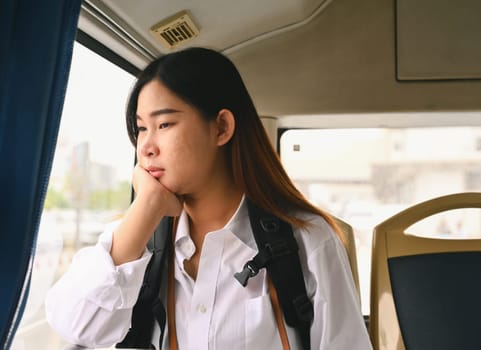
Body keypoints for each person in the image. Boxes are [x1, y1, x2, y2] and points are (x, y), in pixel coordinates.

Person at [45, 47, 372, 349]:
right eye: (141, 128)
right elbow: (78, 327)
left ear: (221, 128)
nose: (146, 146)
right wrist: (146, 206)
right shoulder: (137, 239)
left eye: (164, 124)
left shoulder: (308, 241)